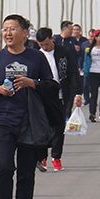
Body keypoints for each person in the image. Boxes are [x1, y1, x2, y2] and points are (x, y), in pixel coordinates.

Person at [0, 15, 58, 199]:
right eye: (5, 29)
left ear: (25, 33)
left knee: (26, 174)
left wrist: (31, 83)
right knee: (4, 168)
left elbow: (51, 85)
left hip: (30, 123)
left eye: (13, 29)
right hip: (4, 121)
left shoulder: (36, 58)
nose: (7, 33)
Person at [34, 27, 82, 172]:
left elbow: (73, 73)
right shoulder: (36, 55)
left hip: (61, 95)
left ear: (52, 39)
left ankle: (56, 157)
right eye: (41, 45)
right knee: (43, 128)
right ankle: (42, 157)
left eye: (47, 44)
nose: (45, 47)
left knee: (58, 128)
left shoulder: (63, 53)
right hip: (42, 96)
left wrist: (78, 93)